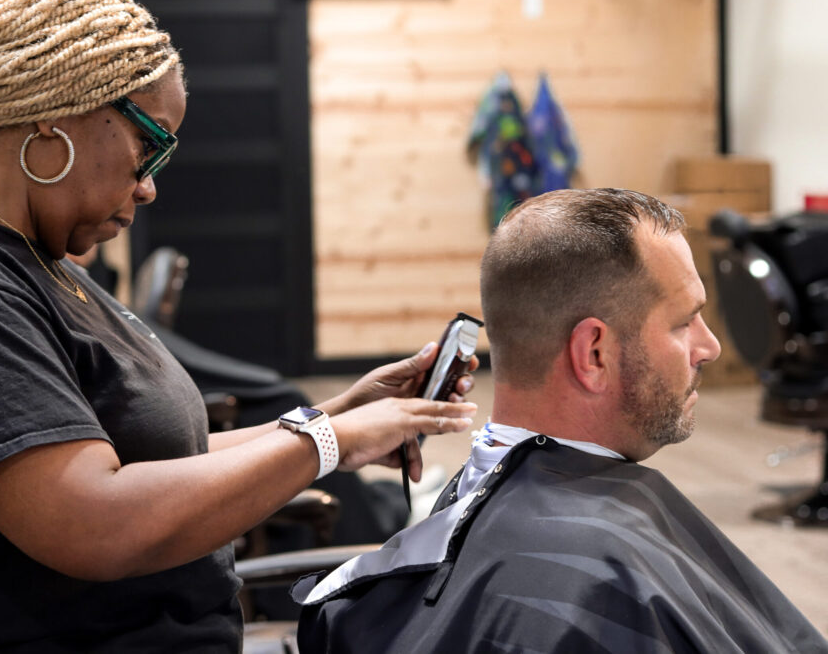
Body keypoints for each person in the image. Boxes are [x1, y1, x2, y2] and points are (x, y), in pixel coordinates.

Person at [0, 0, 478, 651]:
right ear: (54, 120)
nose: (150, 185)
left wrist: (334, 418)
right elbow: (93, 520)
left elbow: (149, 455)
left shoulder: (29, 255)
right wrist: (324, 446)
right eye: (147, 147)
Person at [293, 189, 828, 653]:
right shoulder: (593, 579)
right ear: (593, 353)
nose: (708, 347)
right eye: (684, 322)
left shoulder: (525, 521)